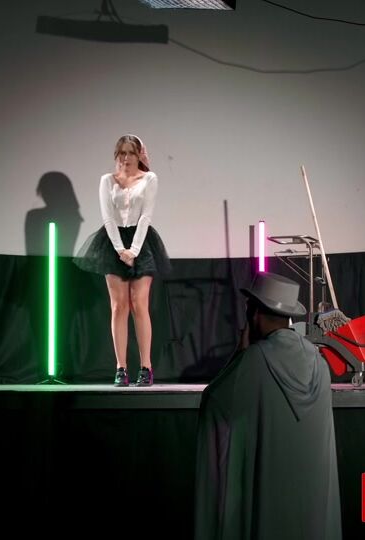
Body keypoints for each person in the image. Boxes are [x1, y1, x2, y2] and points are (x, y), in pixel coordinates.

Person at [194, 271, 341, 540]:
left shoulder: (253, 361)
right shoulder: (319, 364)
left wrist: (240, 352)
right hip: (311, 506)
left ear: (254, 313)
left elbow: (213, 401)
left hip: (270, 504)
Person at [74, 134, 172, 387]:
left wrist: (134, 250)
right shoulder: (107, 180)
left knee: (139, 304)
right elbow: (107, 217)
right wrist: (120, 249)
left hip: (141, 242)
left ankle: (146, 367)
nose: (126, 158)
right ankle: (121, 368)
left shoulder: (149, 179)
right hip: (113, 241)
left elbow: (146, 216)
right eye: (122, 153)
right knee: (119, 306)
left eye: (131, 153)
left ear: (139, 155)